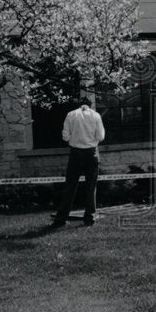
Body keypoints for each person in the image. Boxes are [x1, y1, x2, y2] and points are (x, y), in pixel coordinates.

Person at [52, 97, 105, 227]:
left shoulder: (71, 115)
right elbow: (100, 136)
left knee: (70, 186)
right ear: (90, 105)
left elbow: (65, 135)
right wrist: (91, 141)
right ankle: (89, 218)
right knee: (91, 186)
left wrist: (74, 140)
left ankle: (61, 218)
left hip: (76, 152)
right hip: (91, 152)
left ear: (78, 104)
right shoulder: (96, 115)